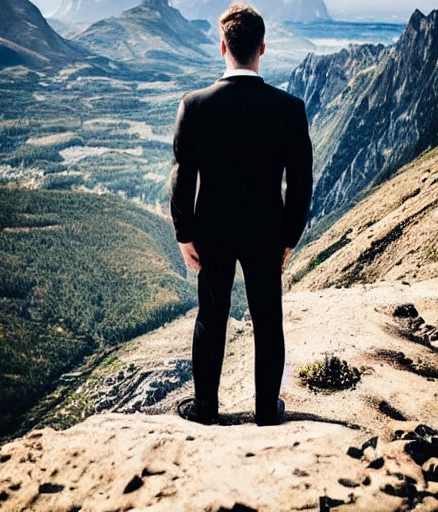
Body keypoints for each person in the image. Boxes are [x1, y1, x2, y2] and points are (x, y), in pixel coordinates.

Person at [170, 3, 313, 426]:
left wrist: (184, 234)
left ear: (223, 47)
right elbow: (301, 181)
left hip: (211, 229)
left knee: (210, 317)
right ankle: (267, 412)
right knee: (268, 318)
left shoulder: (194, 105)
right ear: (262, 48)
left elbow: (182, 177)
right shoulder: (289, 108)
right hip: (267, 231)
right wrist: (290, 235)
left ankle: (206, 410)